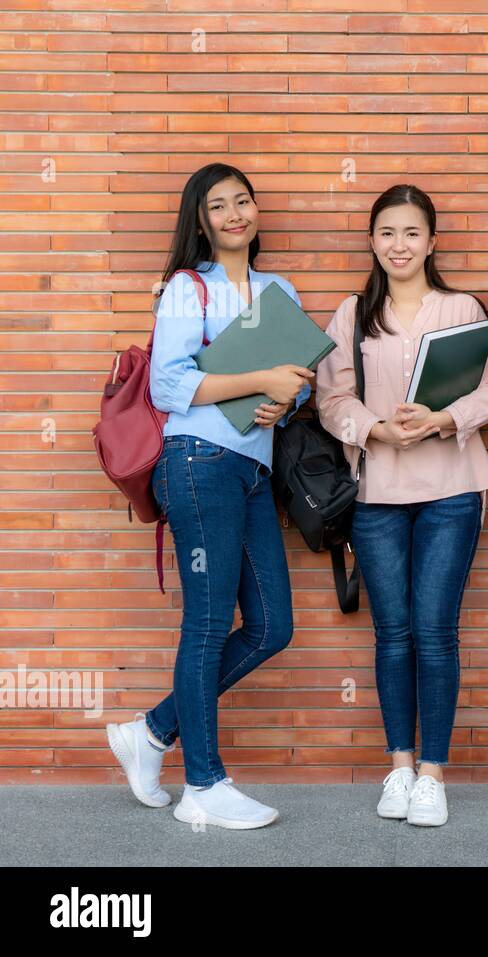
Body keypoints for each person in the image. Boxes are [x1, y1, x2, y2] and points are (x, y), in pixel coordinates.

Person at [104, 162, 314, 830]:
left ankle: (152, 730)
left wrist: (283, 402)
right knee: (206, 620)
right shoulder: (186, 290)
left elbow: (300, 378)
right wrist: (260, 376)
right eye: (219, 205)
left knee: (272, 624)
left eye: (243, 201)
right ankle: (204, 783)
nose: (234, 214)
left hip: (252, 471)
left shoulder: (277, 288)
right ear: (201, 220)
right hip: (197, 463)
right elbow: (168, 386)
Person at [316, 184, 488, 826]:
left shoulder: (462, 308)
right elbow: (331, 399)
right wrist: (375, 429)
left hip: (452, 489)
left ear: (432, 240)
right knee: (392, 634)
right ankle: (399, 767)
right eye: (387, 233)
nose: (399, 245)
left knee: (434, 632)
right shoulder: (352, 314)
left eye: (412, 233)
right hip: (376, 495)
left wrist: (442, 419)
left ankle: (433, 775)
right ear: (372, 241)